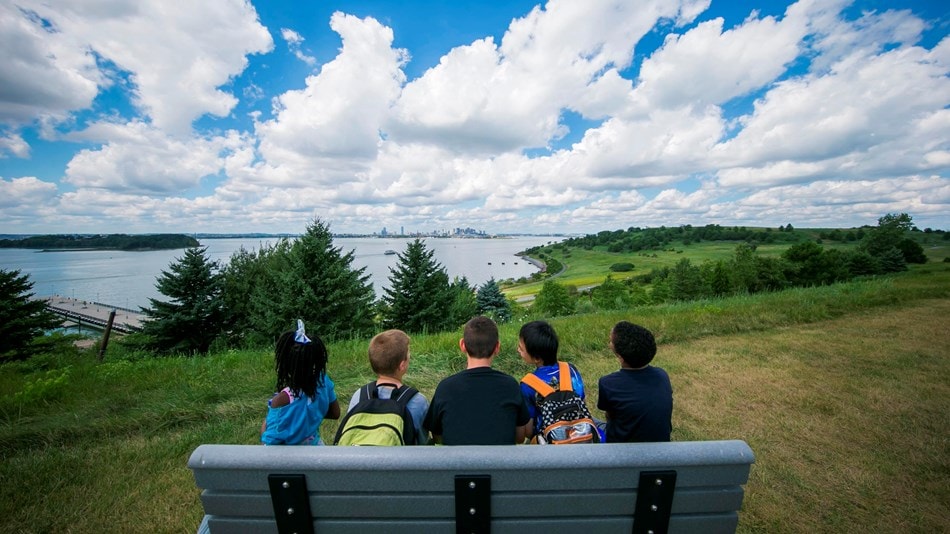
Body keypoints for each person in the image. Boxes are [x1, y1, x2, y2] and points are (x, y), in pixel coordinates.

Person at [423, 316, 532, 445]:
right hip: (500, 458)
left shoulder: (445, 388)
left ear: (462, 345)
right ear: (497, 347)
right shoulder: (510, 385)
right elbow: (519, 437)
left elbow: (437, 436)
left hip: (458, 458)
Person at [343, 329, 430, 445]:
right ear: (402, 365)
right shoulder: (417, 401)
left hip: (358, 457)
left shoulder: (359, 395)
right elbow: (422, 443)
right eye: (408, 354)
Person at [261, 320, 341, 445]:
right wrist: (312, 413)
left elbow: (269, 443)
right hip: (317, 449)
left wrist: (264, 425)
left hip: (290, 456)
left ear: (285, 363)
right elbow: (335, 413)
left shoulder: (282, 399)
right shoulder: (323, 381)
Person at [517, 320, 598, 442]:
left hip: (550, 444)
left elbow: (528, 431)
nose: (518, 350)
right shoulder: (571, 370)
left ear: (537, 358)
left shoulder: (527, 385)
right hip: (581, 435)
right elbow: (582, 403)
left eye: (521, 348)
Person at [597, 321, 673, 443]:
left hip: (622, 448)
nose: (609, 344)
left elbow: (609, 416)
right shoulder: (662, 375)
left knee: (587, 420)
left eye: (611, 342)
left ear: (620, 357)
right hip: (660, 444)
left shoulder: (608, 383)